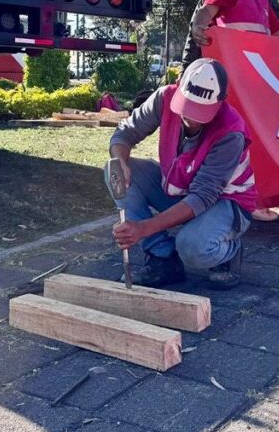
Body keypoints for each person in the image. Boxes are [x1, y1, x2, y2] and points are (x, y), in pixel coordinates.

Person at [109, 58, 256, 289]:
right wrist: (119, 161)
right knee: (115, 172)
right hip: (182, 187)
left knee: (191, 246)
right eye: (188, 107)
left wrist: (143, 228)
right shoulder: (164, 97)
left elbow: (203, 197)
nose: (192, 119)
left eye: (201, 112)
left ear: (221, 102)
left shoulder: (231, 131)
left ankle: (229, 252)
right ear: (179, 85)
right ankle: (163, 259)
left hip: (227, 202)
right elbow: (125, 132)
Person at [190, 0, 279, 221]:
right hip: (233, 81)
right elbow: (205, 13)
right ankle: (241, 199)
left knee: (256, 139)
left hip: (257, 81)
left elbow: (278, 36)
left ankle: (256, 196)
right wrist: (198, 27)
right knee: (236, 138)